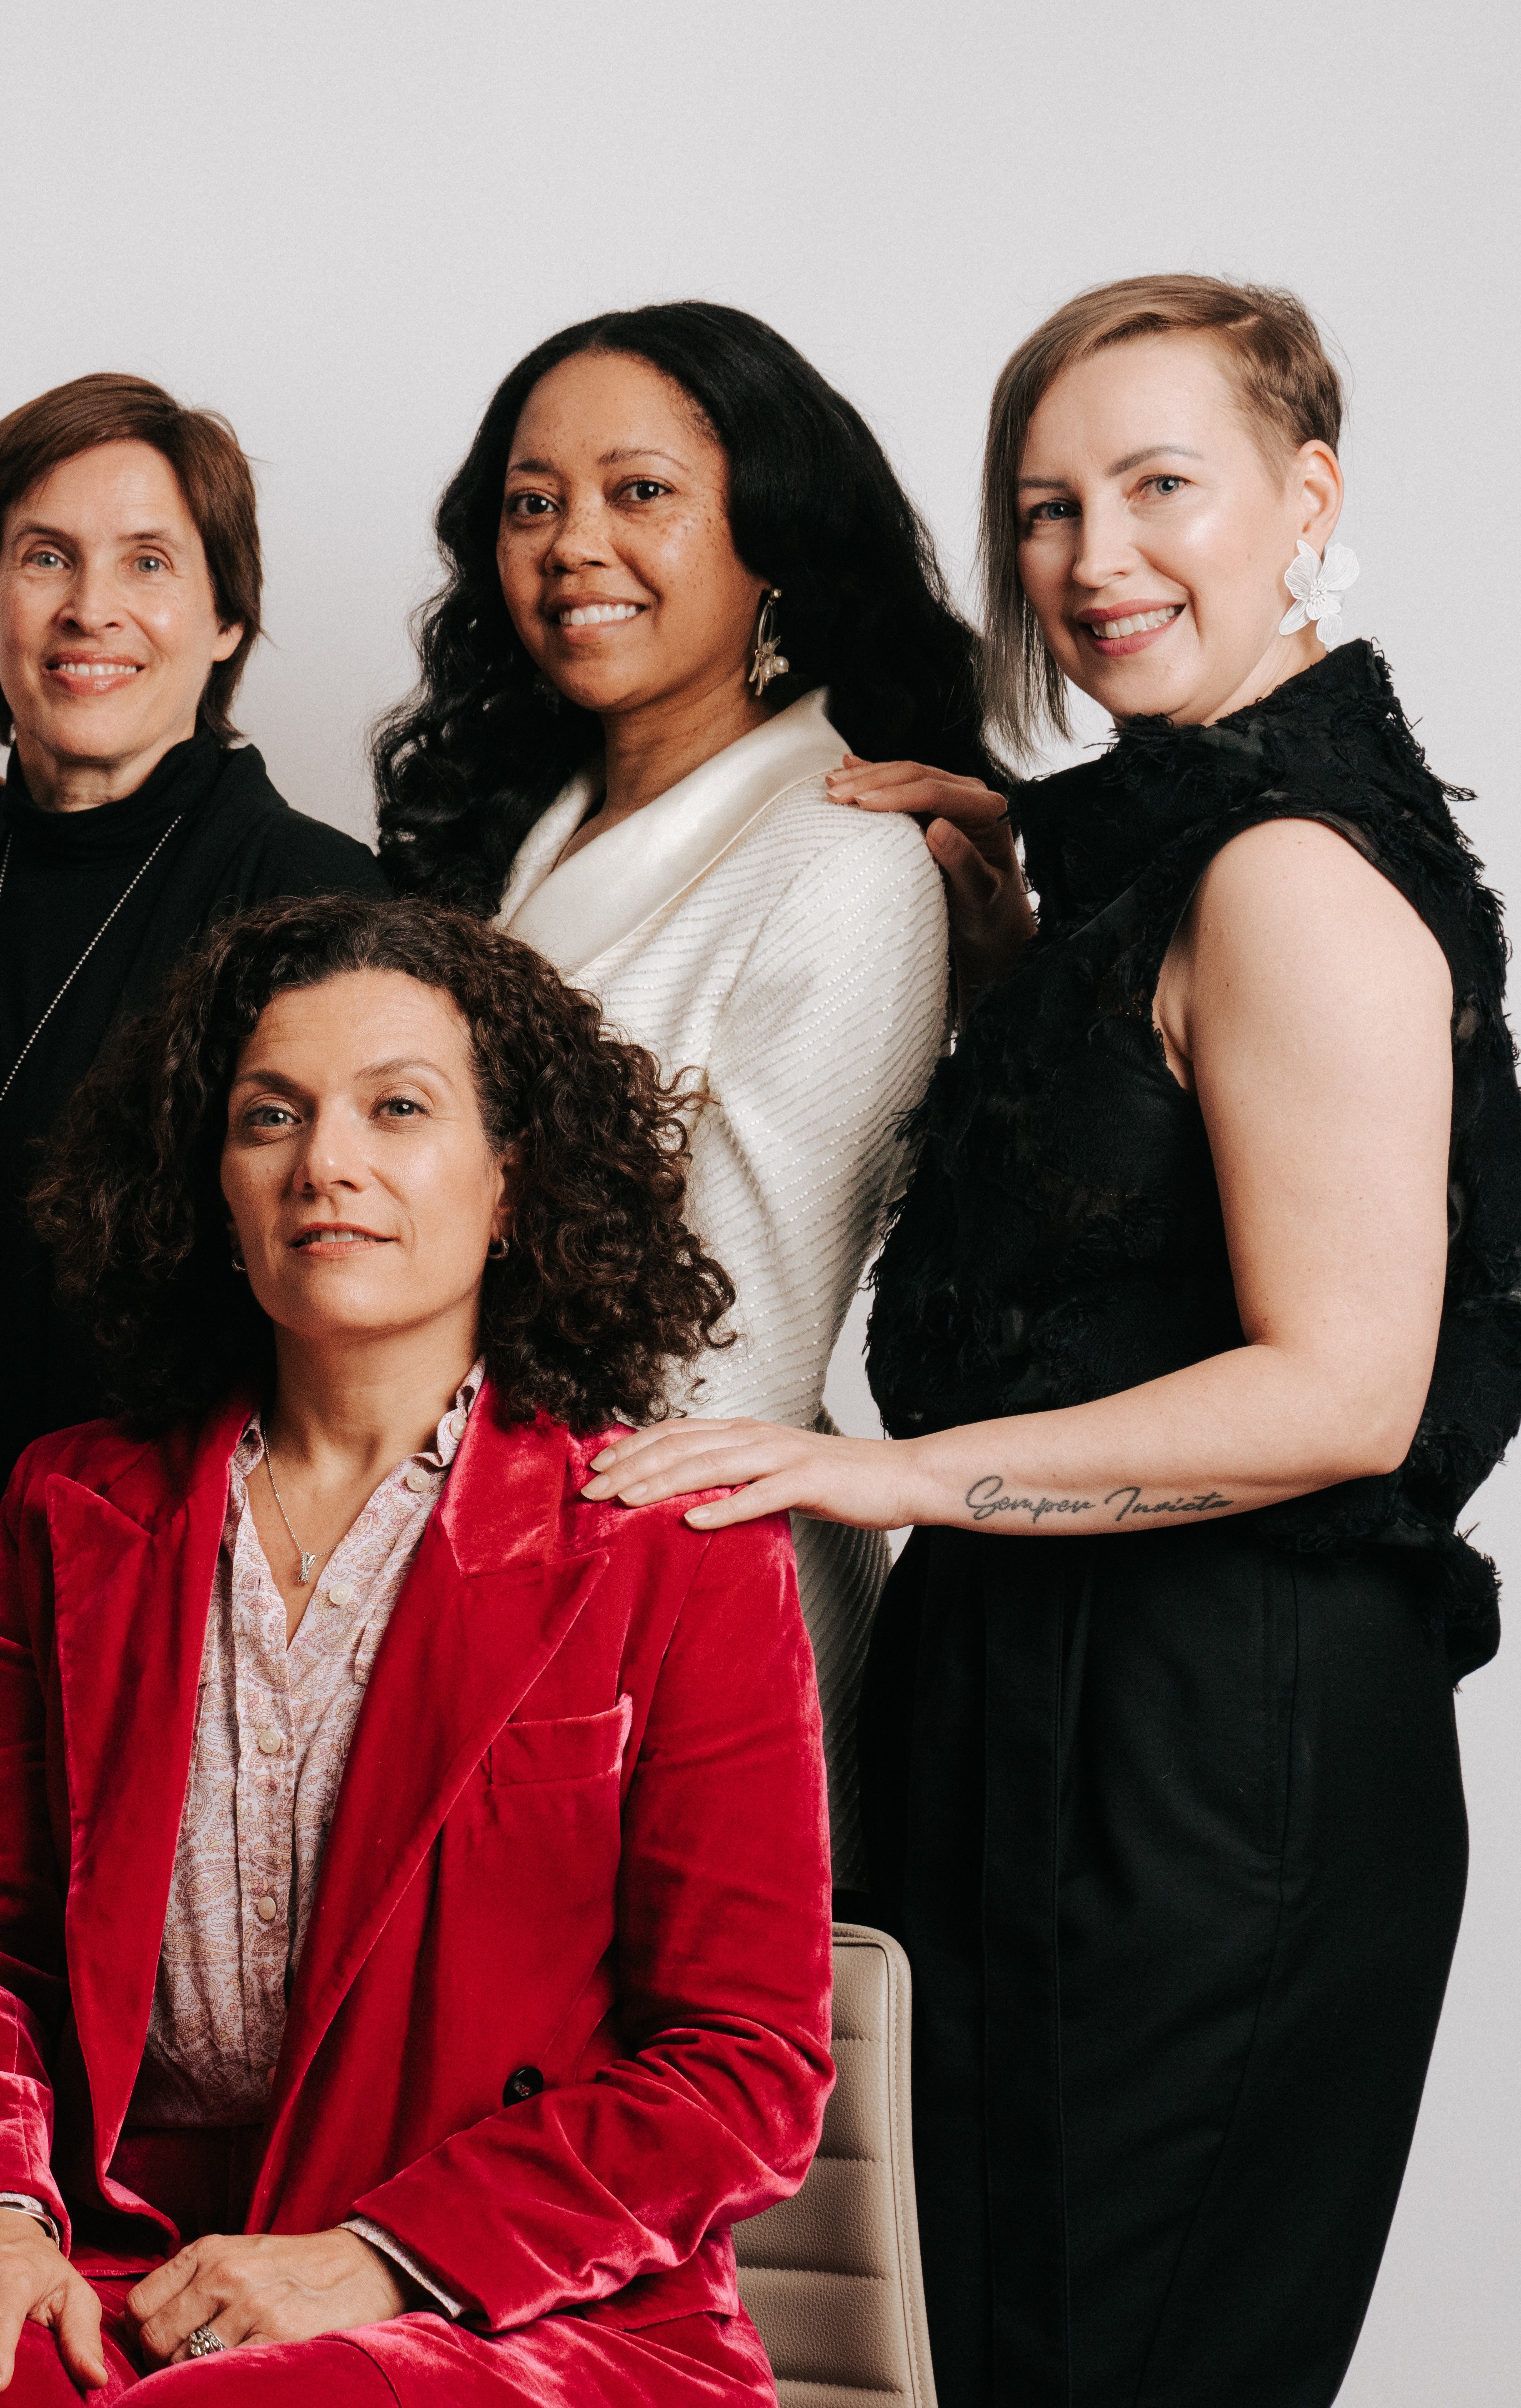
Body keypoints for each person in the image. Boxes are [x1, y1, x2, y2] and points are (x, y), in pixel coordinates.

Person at [585, 274, 1513, 2408]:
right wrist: (1021, 945)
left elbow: (1346, 1384)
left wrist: (880, 1473)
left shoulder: (1286, 866)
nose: (1095, 560)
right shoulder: (1157, 854)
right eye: (1043, 506)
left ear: (1308, 499)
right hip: (1041, 1702)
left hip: (1207, 1746)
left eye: (1159, 487)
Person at [0, 894, 830, 2408]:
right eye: (271, 1117)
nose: (327, 1164)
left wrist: (376, 2254)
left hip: (525, 2308)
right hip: (142, 2254)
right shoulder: (75, 1506)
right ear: (214, 1189)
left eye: (400, 1107)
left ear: (514, 1184)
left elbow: (743, 2064)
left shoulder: (670, 1543)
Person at [0, 374, 383, 2345]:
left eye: (147, 562)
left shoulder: (327, 911)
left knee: (106, 2233)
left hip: (142, 1659)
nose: (91, 606)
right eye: (43, 558)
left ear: (224, 617)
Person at [359, 302, 994, 1903]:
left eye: (640, 493)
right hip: (422, 1568)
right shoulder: (504, 837)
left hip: (673, 1616)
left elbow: (730, 1367)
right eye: (531, 501)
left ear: (771, 540)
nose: (576, 544)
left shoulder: (845, 869)